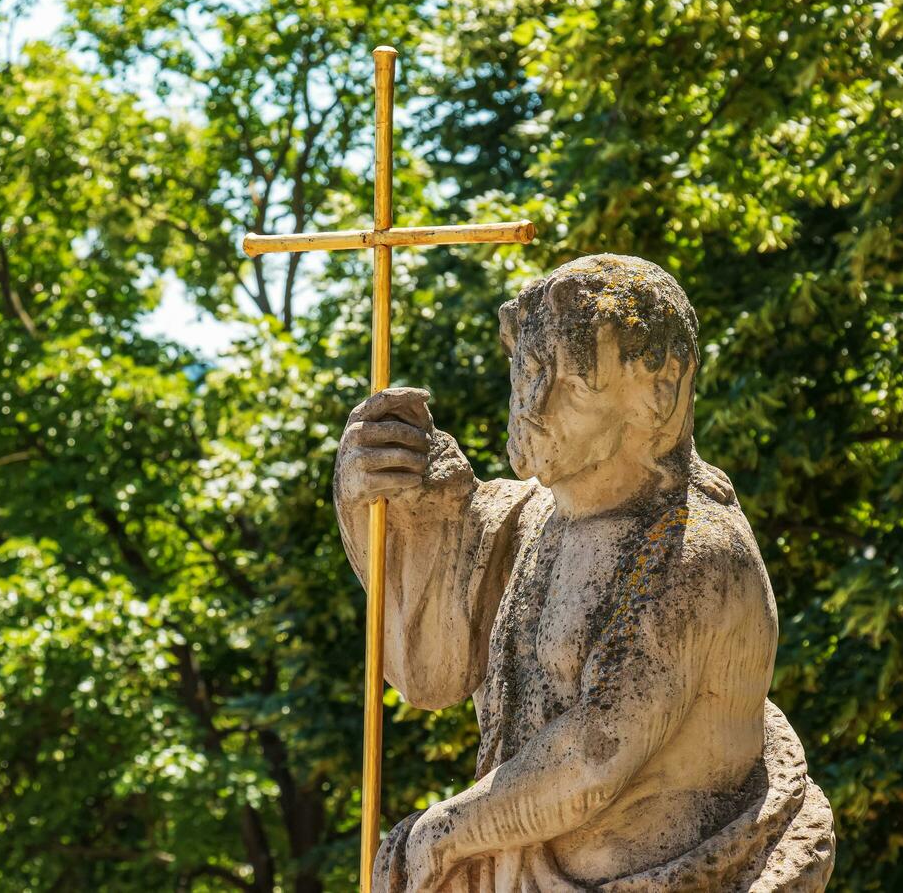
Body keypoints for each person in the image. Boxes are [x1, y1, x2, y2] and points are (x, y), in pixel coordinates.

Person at [334, 255, 835, 891]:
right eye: (528, 374)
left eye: (573, 384)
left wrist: (441, 834)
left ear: (661, 390)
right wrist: (381, 492)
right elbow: (429, 670)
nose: (533, 406)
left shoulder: (696, 553)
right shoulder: (529, 521)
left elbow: (590, 760)